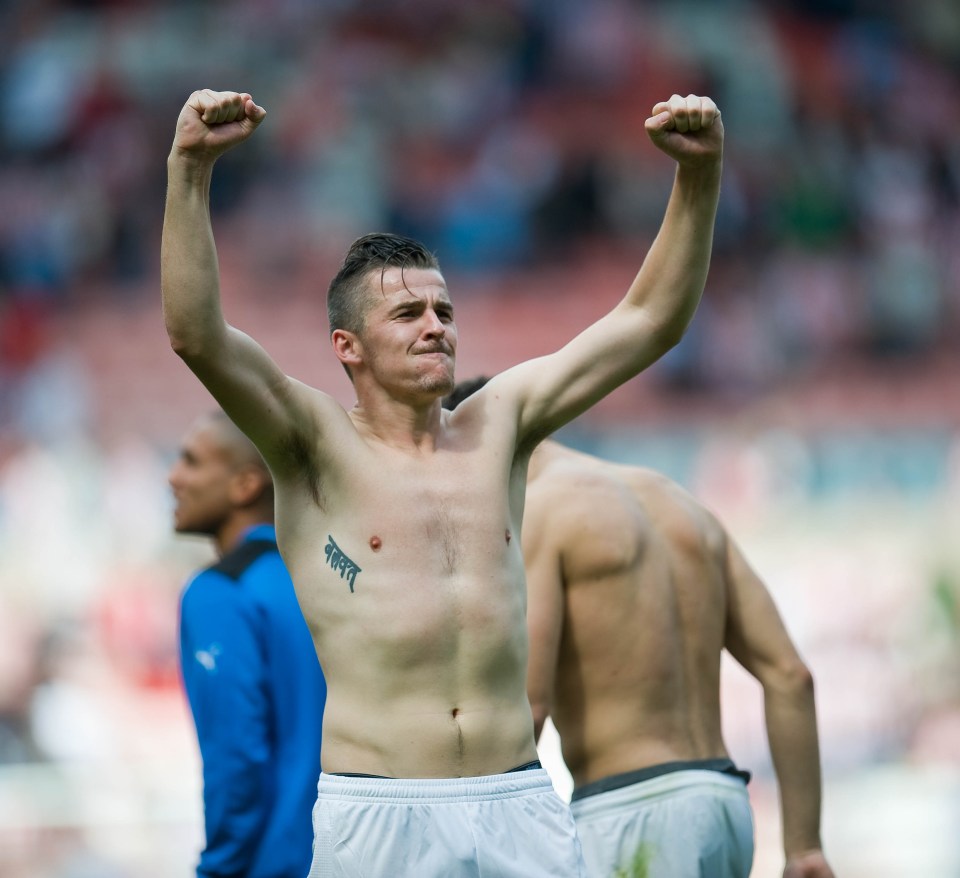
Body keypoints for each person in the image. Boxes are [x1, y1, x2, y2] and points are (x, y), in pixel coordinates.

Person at [161, 86, 723, 877]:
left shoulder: (500, 423)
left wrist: (697, 178)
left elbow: (648, 320)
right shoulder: (312, 442)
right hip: (378, 809)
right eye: (408, 315)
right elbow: (196, 335)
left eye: (444, 311)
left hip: (517, 800)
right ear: (347, 346)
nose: (436, 326)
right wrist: (189, 168)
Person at [445, 380, 833, 878]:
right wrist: (805, 847)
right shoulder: (682, 504)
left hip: (631, 812)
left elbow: (530, 703)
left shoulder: (542, 512)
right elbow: (790, 675)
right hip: (723, 805)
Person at [169, 410, 327, 878]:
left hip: (273, 863)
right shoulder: (330, 581)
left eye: (192, 462)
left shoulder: (219, 592)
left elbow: (237, 758)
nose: (173, 476)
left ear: (245, 485)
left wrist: (218, 869)